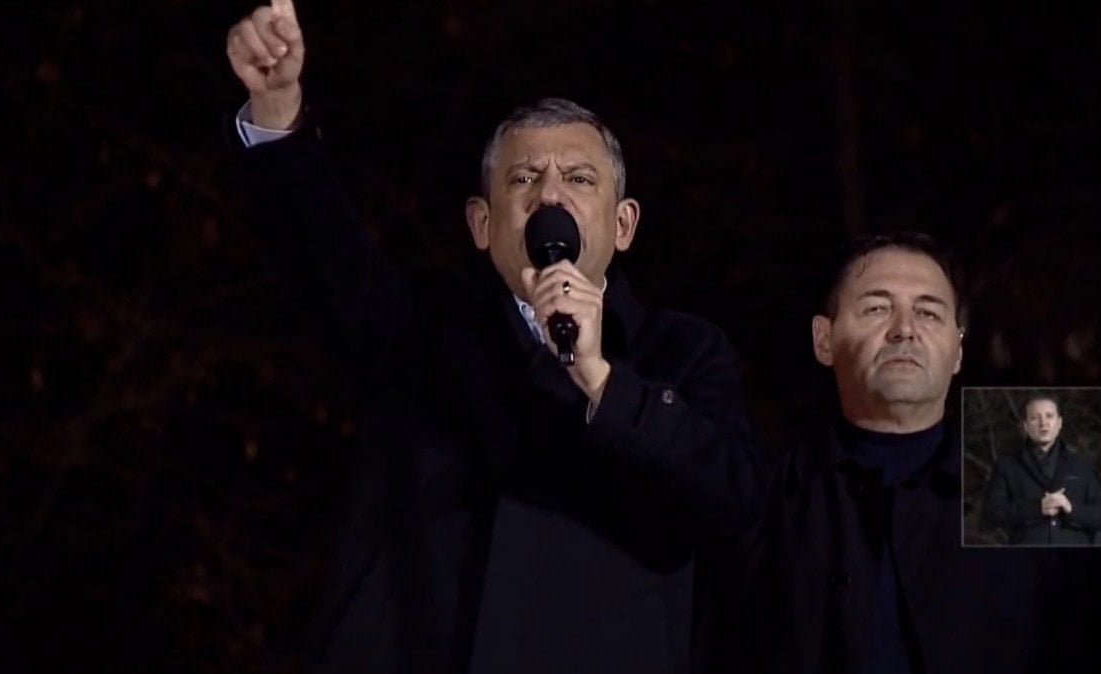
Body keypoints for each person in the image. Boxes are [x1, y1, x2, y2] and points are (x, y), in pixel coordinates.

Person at [224, 2, 760, 672]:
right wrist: (277, 112)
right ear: (481, 223)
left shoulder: (684, 353)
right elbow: (321, 250)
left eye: (579, 178)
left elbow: (736, 502)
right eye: (524, 178)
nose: (550, 196)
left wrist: (605, 382)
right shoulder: (419, 334)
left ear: (623, 224)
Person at [699, 232, 1101, 673]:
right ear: (824, 340)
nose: (904, 329)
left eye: (928, 312)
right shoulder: (758, 493)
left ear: (958, 350)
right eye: (876, 309)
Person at [982, 395, 1101, 545]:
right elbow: (992, 513)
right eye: (1035, 418)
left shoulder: (1082, 466)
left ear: (1059, 422)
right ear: (1025, 425)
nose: (1043, 423)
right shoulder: (1007, 466)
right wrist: (1037, 508)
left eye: (1049, 416)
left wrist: (1071, 509)